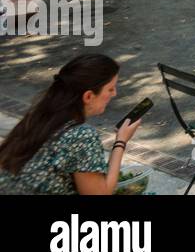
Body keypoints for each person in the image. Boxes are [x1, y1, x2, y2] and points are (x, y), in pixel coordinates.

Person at [0, 54, 143, 194]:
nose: (114, 94)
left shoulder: (39, 117)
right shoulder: (81, 136)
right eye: (110, 89)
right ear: (88, 96)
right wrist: (121, 142)